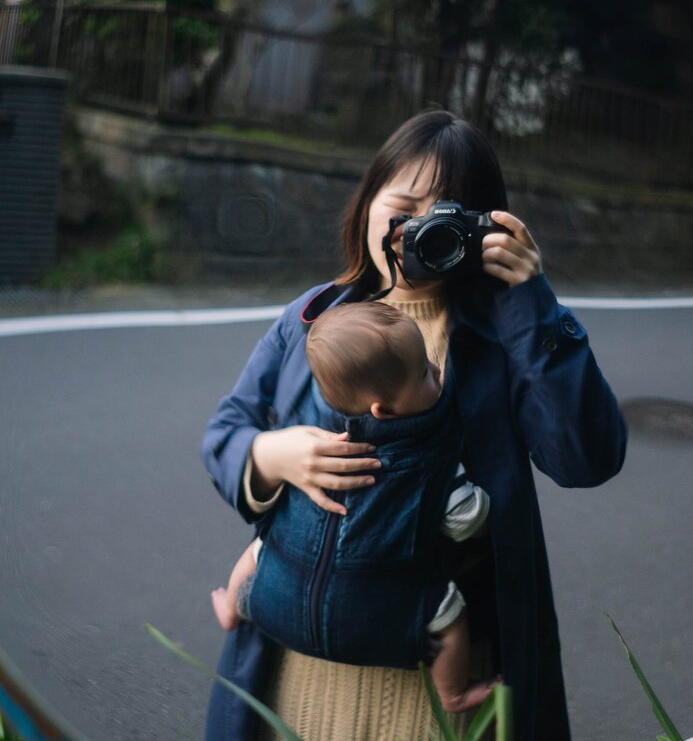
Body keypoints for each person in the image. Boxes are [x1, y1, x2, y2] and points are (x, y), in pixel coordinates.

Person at [202, 109, 627, 740]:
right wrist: (273, 454)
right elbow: (227, 431)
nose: (414, 232)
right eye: (402, 208)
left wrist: (533, 304)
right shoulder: (310, 319)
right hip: (294, 669)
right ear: (368, 202)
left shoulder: (507, 338)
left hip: (439, 690)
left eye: (443, 218)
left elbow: (587, 458)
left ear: (485, 231)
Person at [210, 301, 496, 713]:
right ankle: (453, 693)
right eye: (423, 373)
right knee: (450, 617)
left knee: (258, 551)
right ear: (384, 408)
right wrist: (487, 506)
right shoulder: (431, 461)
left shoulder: (311, 442)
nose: (435, 372)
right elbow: (467, 520)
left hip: (279, 602)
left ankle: (231, 610)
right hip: (377, 615)